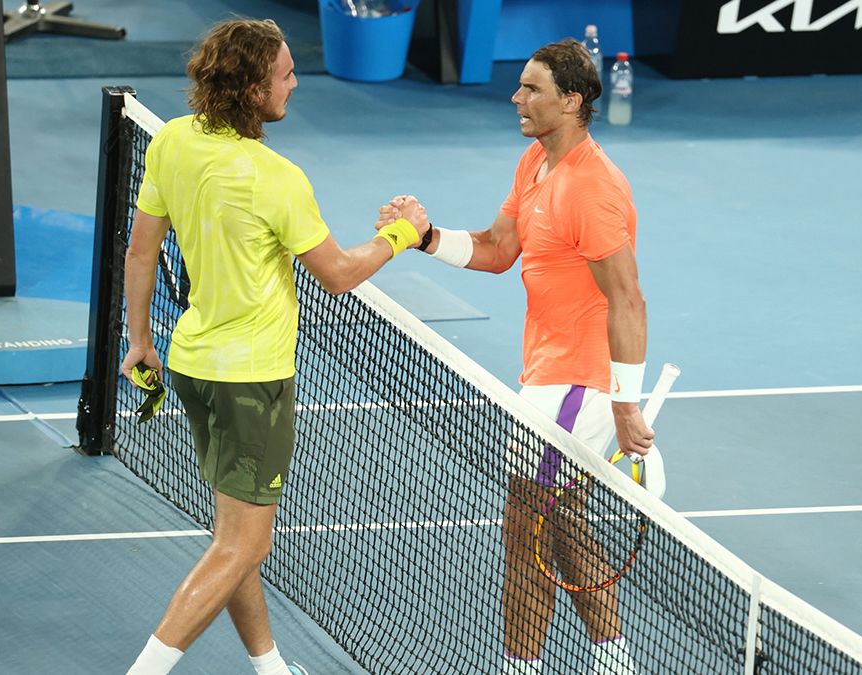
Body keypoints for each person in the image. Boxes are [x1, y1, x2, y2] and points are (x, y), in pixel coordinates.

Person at [120, 18, 428, 675]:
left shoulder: (172, 142)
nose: (295, 82)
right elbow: (340, 274)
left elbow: (141, 248)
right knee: (240, 546)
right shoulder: (276, 177)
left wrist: (139, 339)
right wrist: (403, 233)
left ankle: (272, 668)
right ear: (254, 88)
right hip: (253, 384)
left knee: (235, 539)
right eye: (285, 75)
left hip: (191, 368)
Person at [378, 39, 653, 674]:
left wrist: (624, 404)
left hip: (576, 386)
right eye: (520, 86)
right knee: (556, 530)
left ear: (573, 102)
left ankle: (527, 666)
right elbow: (499, 248)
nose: (516, 97)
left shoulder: (593, 189)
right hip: (546, 375)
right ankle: (615, 661)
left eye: (532, 89)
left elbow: (628, 300)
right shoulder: (534, 161)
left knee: (525, 531)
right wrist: (422, 237)